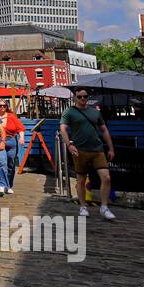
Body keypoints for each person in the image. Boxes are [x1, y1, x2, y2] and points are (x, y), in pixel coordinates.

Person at [60, 88, 117, 220]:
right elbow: (63, 128)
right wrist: (69, 144)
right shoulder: (69, 112)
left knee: (106, 177)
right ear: (75, 98)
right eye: (79, 97)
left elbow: (104, 130)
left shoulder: (94, 112)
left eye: (85, 96)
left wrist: (111, 148)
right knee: (81, 180)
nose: (83, 99)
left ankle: (104, 206)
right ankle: (83, 206)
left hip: (97, 149)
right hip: (80, 150)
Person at [0, 101, 25, 196]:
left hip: (11, 141)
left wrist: (22, 138)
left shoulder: (11, 116)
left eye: (4, 105)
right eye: (0, 105)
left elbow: (20, 128)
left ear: (7, 106)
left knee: (10, 165)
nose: (2, 107)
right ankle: (1, 185)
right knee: (2, 162)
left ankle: (9, 185)